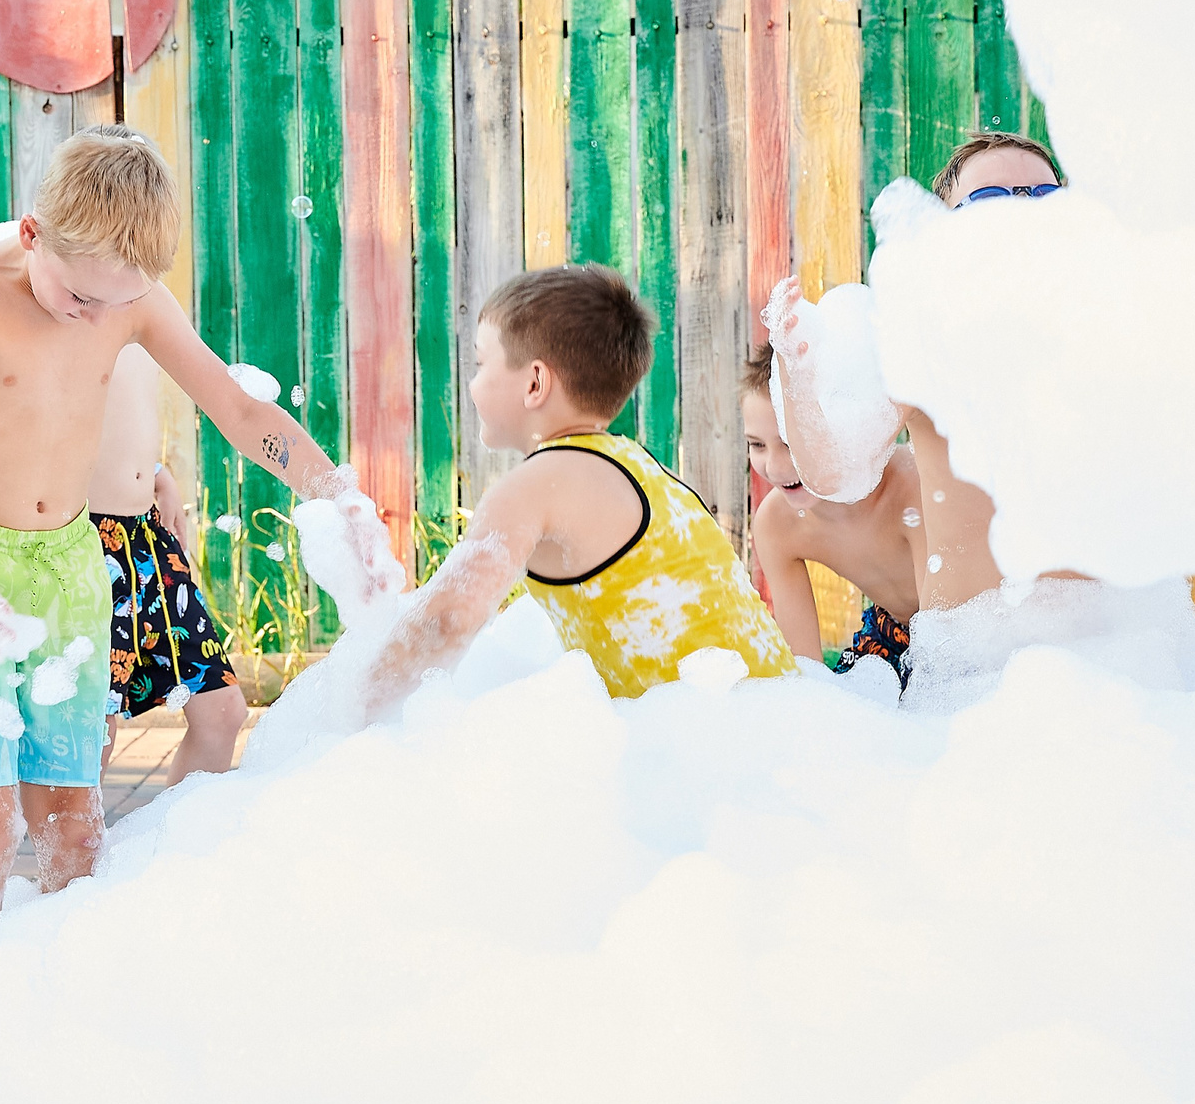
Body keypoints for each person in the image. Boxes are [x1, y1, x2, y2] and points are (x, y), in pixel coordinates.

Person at [0, 124, 392, 947]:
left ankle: (59, 986)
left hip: (67, 559)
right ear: (32, 235)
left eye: (120, 302)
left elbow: (237, 411)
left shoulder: (129, 299)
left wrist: (338, 492)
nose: (99, 317)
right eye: (81, 298)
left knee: (76, 825)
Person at [354, 265, 796, 716]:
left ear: (534, 384)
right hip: (776, 719)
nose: (472, 382)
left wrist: (355, 714)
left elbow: (447, 620)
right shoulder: (636, 465)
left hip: (709, 748)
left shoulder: (534, 485)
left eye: (481, 362)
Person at [768, 131, 1065, 610]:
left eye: (1044, 196)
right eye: (990, 199)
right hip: (977, 660)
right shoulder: (924, 340)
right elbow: (835, 472)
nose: (1019, 213)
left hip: (1125, 654)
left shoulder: (1107, 342)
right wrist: (796, 380)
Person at [88, 342, 249, 782]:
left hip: (145, 535)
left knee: (221, 710)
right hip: (83, 537)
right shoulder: (65, 287)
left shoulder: (142, 295)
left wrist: (155, 472)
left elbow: (120, 410)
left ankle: (170, 849)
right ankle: (75, 852)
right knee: (90, 730)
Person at [741, 343, 923, 679]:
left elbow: (952, 627)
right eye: (757, 444)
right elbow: (804, 668)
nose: (775, 467)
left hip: (972, 624)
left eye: (791, 443)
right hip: (892, 628)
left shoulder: (910, 488)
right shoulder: (776, 525)